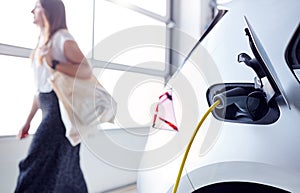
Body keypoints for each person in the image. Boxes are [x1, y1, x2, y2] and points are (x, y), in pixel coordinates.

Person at [15, 0, 92, 192]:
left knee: (35, 163)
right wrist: (28, 121)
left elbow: (86, 70)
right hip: (48, 108)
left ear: (48, 11)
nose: (32, 10)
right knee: (65, 167)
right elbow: (41, 89)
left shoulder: (62, 38)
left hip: (60, 113)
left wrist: (55, 63)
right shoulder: (42, 43)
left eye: (37, 7)